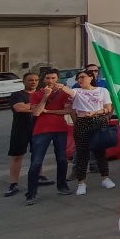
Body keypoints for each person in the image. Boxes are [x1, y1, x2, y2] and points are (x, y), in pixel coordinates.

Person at [24, 70, 73, 204]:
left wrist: (50, 111)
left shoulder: (63, 93)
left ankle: (62, 186)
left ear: (57, 79)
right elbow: (36, 112)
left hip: (60, 129)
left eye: (53, 78)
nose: (50, 81)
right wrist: (45, 97)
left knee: (62, 159)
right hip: (41, 131)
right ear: (43, 80)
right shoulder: (36, 95)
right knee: (36, 162)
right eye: (48, 78)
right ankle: (31, 193)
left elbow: (68, 110)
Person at [65, 69, 116, 196]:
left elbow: (108, 108)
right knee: (82, 152)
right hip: (82, 122)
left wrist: (96, 113)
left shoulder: (102, 91)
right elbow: (68, 92)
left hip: (98, 121)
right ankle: (81, 183)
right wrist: (60, 86)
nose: (80, 80)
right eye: (78, 79)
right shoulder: (77, 91)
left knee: (100, 152)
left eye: (82, 77)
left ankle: (105, 178)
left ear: (90, 78)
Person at [5, 73, 52, 197]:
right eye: (30, 80)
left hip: (38, 129)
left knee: (38, 154)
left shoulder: (41, 94)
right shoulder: (17, 95)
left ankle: (39, 176)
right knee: (17, 156)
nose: (33, 82)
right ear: (24, 81)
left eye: (36, 80)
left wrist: (34, 106)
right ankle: (13, 183)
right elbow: (19, 108)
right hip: (20, 130)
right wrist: (39, 106)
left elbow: (48, 108)